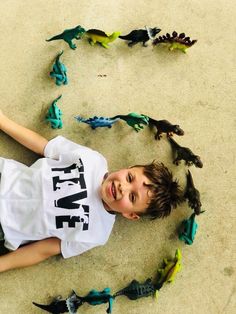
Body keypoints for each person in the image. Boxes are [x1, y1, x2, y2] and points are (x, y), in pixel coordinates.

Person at [0, 110, 182, 272]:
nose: (122, 187)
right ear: (129, 167)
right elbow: (44, 147)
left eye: (132, 197)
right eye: (129, 178)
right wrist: (4, 121)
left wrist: (3, 264)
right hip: (5, 177)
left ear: (130, 214)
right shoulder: (93, 160)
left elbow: (44, 249)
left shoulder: (97, 233)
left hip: (5, 227)